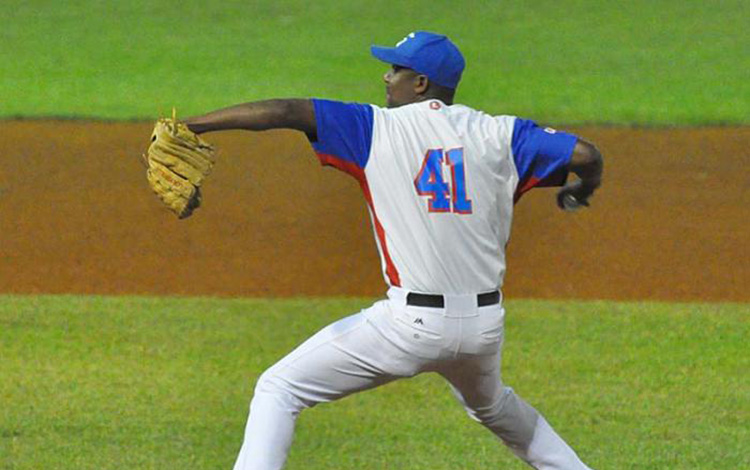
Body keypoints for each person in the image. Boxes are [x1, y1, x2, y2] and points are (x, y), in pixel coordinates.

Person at [183, 31, 603, 470]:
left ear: (420, 84)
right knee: (492, 405)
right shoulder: (502, 134)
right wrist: (580, 189)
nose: (387, 77)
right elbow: (586, 154)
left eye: (396, 70)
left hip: (410, 327)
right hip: (483, 328)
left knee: (279, 388)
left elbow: (288, 111)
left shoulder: (374, 127)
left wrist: (195, 125)